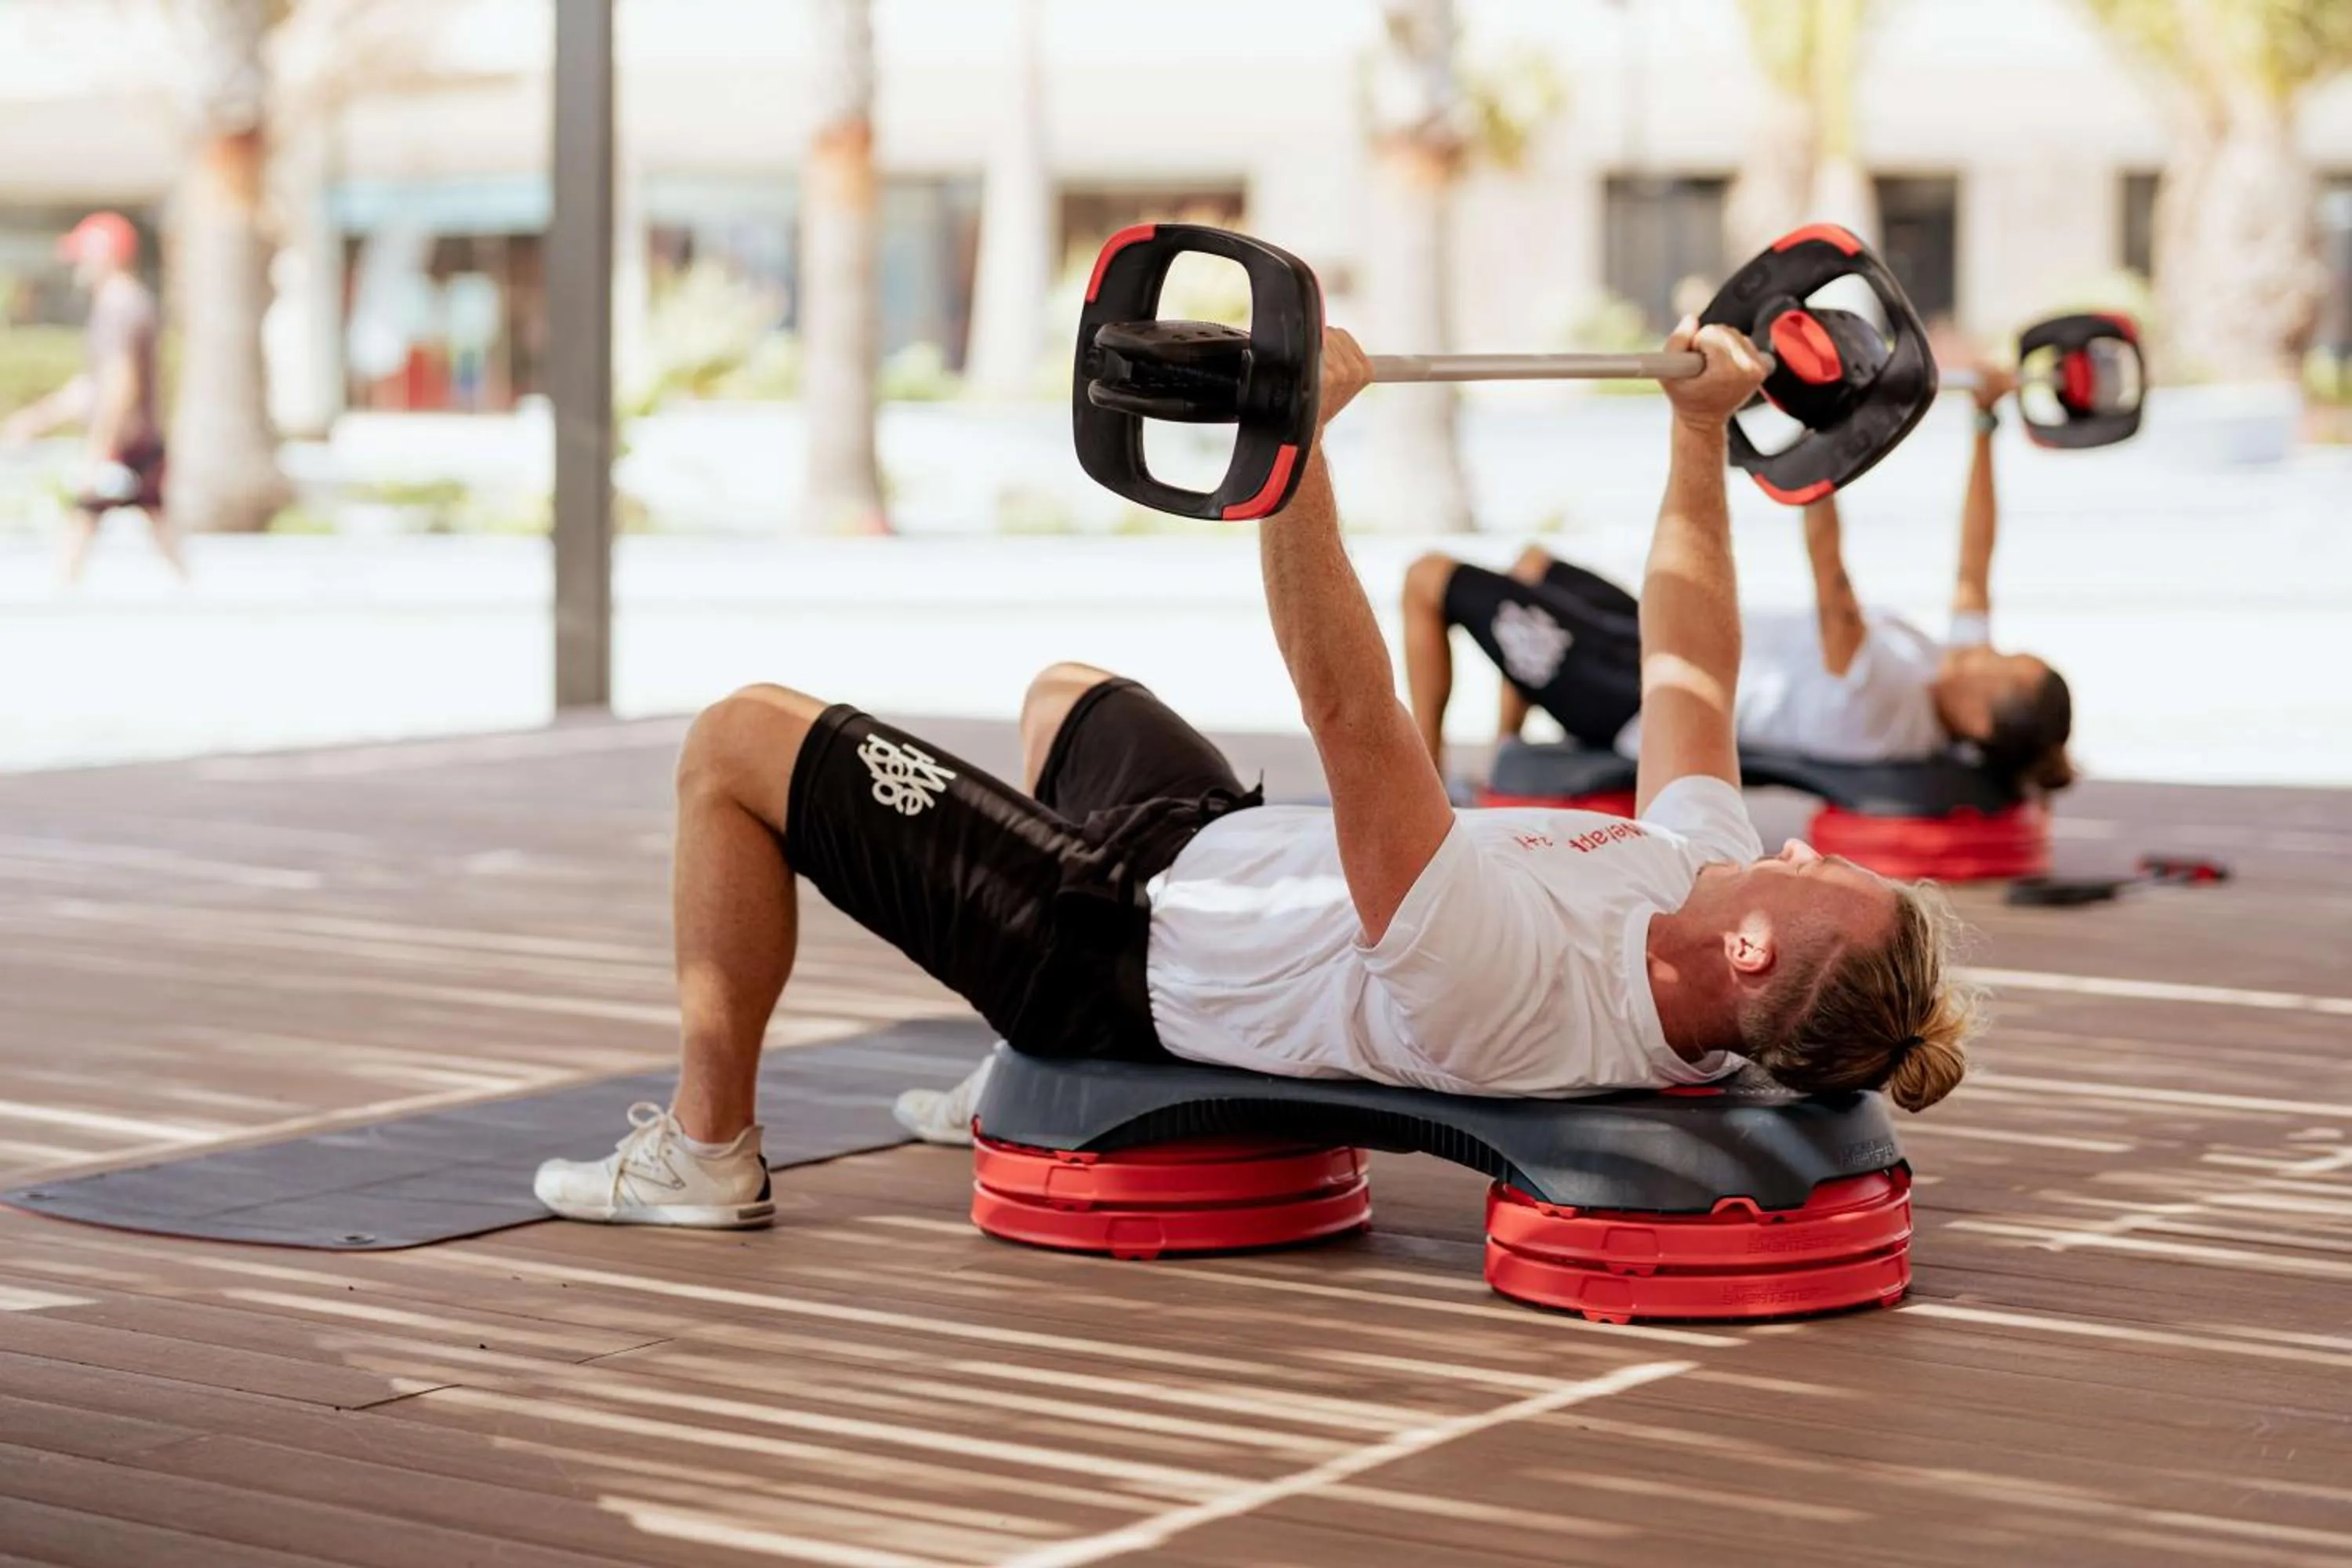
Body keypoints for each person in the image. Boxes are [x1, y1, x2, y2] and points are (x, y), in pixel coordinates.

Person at [535, 318, 1977, 1229]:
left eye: (1813, 876)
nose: (1796, 850)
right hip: (1212, 851)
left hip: (1101, 940)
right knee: (1067, 696)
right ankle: (996, 1056)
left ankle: (707, 1151)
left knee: (739, 736)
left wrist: (1295, 452)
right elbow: (1690, 673)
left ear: (1749, 948)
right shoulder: (1690, 884)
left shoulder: (1522, 988)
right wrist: (1694, 427)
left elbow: (1356, 719)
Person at [1402, 365, 2074, 796]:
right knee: (1532, 567)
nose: (1986, 649)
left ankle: (1424, 788)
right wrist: (1986, 422)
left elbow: (1830, 577)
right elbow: (1973, 567)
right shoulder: (1940, 672)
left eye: (1999, 663)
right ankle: (1507, 754)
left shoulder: (1887, 708)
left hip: (1636, 696)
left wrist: (1820, 436)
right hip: (1663, 640)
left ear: (1982, 717)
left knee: (1427, 578)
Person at [0, 212, 183, 585]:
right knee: (152, 522)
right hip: (137, 443)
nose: (78, 266)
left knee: (83, 517)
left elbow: (119, 387)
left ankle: (60, 597)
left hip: (125, 443)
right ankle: (193, 590)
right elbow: (91, 387)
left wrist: (100, 448)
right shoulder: (124, 305)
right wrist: (35, 421)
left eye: (84, 256)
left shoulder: (121, 308)